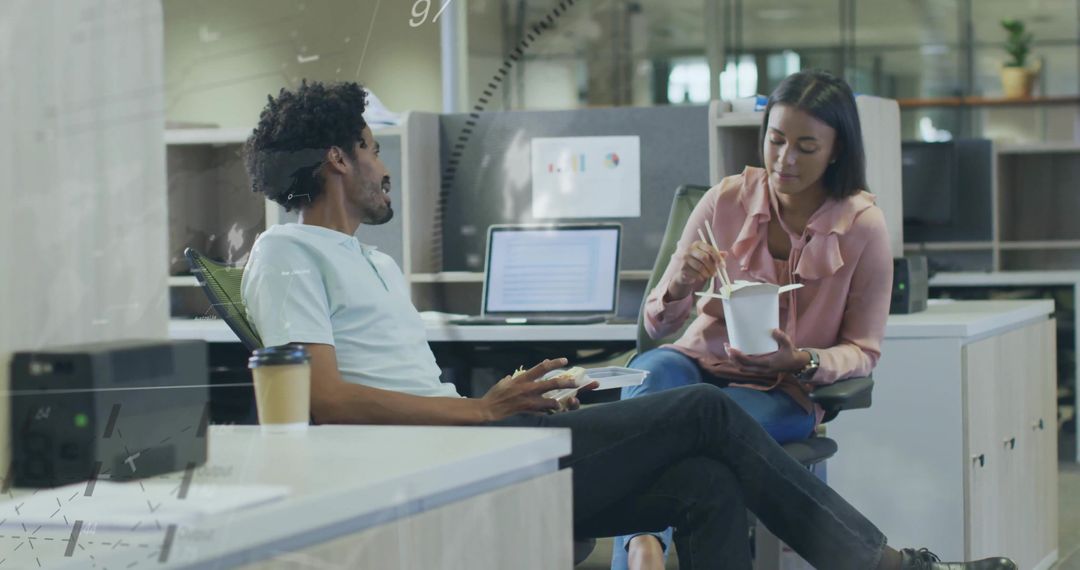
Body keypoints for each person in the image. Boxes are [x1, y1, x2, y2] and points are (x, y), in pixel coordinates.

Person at [239, 80, 1014, 570]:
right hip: (452, 458)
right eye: (374, 151)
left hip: (480, 445)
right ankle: (883, 566)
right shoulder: (286, 253)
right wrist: (479, 408)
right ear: (338, 160)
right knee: (704, 407)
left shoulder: (366, 260)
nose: (382, 168)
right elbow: (325, 399)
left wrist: (509, 400)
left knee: (707, 487)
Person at [612, 69, 894, 570]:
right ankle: (643, 547)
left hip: (782, 389)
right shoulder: (725, 200)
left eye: (806, 146)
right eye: (776, 139)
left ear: (837, 150)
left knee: (699, 441)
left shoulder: (862, 227)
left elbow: (864, 351)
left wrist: (803, 360)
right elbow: (656, 326)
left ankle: (640, 542)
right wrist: (680, 283)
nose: (785, 160)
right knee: (653, 372)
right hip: (697, 365)